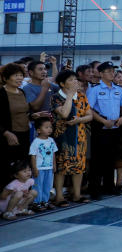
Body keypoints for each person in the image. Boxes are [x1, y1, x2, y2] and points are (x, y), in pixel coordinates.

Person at [87, 62, 122, 199]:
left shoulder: (117, 89)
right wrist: (102, 120)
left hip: (116, 126)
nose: (112, 73)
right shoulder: (94, 90)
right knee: (98, 159)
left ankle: (109, 186)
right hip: (101, 126)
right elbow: (89, 109)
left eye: (113, 71)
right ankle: (95, 189)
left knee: (111, 158)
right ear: (101, 74)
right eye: (109, 71)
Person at [50, 70, 91, 205]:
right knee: (62, 166)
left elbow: (89, 115)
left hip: (79, 136)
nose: (75, 82)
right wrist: (69, 96)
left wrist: (79, 119)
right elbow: (64, 113)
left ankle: (77, 194)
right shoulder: (56, 97)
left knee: (79, 166)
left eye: (75, 79)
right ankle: (59, 196)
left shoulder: (81, 96)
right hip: (63, 137)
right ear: (62, 84)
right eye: (71, 80)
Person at [2, 64, 48, 179]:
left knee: (23, 167)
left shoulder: (21, 92)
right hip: (9, 136)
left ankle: (22, 194)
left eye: (21, 75)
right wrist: (6, 133)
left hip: (24, 134)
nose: (19, 78)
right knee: (9, 168)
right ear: (5, 78)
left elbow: (24, 113)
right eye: (15, 75)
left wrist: (33, 116)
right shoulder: (1, 93)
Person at [28, 117, 57, 211]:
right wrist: (34, 168)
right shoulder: (36, 142)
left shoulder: (51, 140)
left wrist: (54, 165)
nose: (49, 129)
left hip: (49, 168)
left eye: (50, 127)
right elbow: (33, 156)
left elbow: (53, 153)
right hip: (39, 168)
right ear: (39, 130)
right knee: (38, 185)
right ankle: (36, 202)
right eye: (46, 127)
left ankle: (45, 201)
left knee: (47, 185)